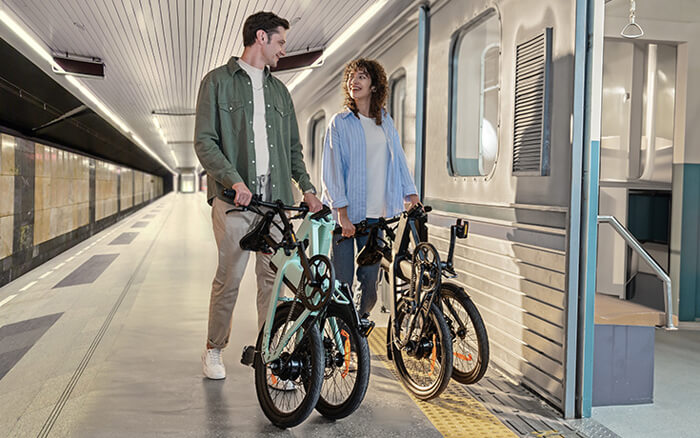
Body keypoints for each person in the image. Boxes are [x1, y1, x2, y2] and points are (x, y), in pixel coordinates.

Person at [194, 11, 322, 380]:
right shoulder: (217, 82)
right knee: (229, 277)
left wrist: (307, 189)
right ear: (261, 38)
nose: (284, 49)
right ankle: (214, 349)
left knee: (274, 280)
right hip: (234, 201)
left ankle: (272, 353)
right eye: (281, 41)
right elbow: (205, 141)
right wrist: (234, 180)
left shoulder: (280, 92)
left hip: (276, 201)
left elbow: (294, 150)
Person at [322, 58, 419, 317]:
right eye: (352, 77)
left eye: (362, 76)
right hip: (347, 218)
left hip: (376, 217)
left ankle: (356, 324)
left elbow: (398, 158)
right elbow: (331, 171)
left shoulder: (385, 121)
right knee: (342, 284)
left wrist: (411, 193)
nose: (355, 81)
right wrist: (342, 215)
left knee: (369, 288)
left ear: (374, 85)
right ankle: (341, 342)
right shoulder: (340, 122)